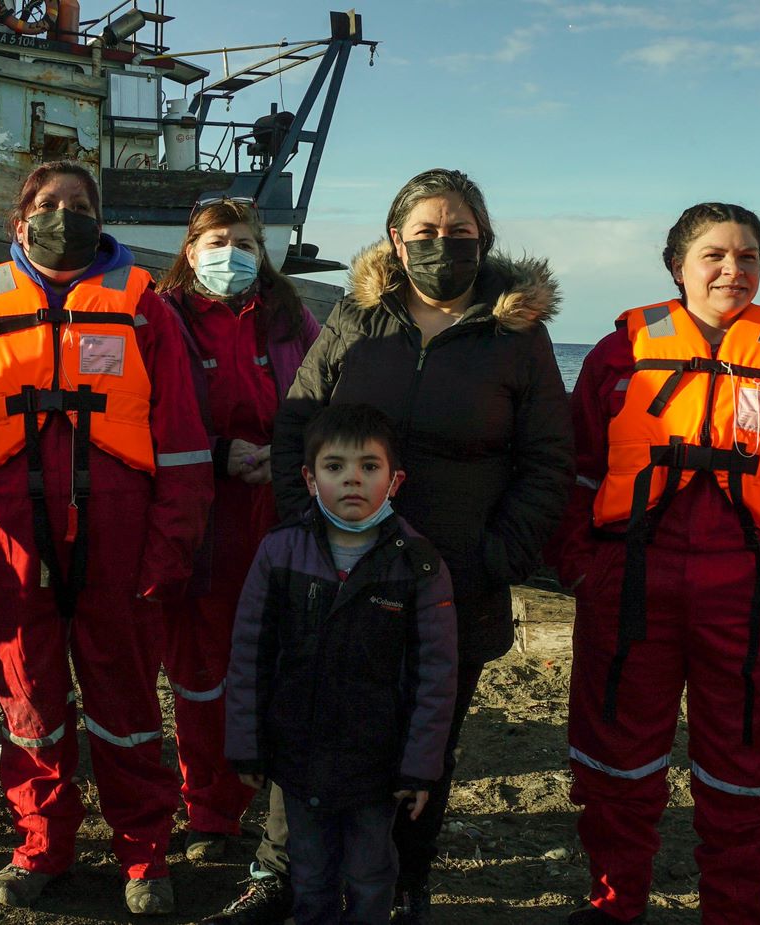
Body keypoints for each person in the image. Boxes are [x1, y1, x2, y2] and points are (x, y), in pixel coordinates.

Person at [224, 167, 568, 925]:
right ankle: (277, 874)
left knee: (426, 731)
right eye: (426, 233)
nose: (442, 245)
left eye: (460, 233)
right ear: (395, 239)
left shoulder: (519, 336)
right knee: (305, 717)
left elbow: (549, 462)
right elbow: (297, 426)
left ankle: (407, 880)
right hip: (333, 568)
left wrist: (494, 556)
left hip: (454, 576)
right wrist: (298, 529)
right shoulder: (357, 317)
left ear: (484, 238)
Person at [0, 160, 212, 914]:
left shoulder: (145, 307)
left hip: (122, 543)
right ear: (21, 222)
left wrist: (168, 551)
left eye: (80, 204)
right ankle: (41, 846)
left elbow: (181, 444)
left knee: (128, 710)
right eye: (49, 204)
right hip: (12, 547)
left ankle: (144, 856)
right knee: (29, 708)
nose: (65, 214)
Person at [554, 202, 760, 924]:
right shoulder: (616, 354)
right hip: (631, 583)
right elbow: (575, 476)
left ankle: (734, 909)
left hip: (754, 592)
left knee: (747, 771)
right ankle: (615, 903)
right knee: (615, 758)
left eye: (748, 256)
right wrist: (577, 570)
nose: (734, 269)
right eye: (715, 255)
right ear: (677, 265)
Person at [225, 403, 457, 924]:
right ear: (310, 479)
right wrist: (248, 747)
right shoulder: (279, 553)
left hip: (377, 764)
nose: (352, 479)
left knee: (372, 871)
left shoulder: (419, 564)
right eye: (335, 467)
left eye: (369, 467)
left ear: (395, 481)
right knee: (309, 874)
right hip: (298, 756)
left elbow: (436, 676)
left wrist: (421, 767)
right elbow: (249, 657)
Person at [151, 197, 321, 860]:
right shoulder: (163, 318)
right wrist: (219, 451)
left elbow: (322, 399)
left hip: (277, 515)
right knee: (200, 670)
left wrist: (286, 457)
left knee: (277, 661)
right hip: (197, 514)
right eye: (218, 240)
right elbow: (147, 407)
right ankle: (211, 812)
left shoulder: (291, 317)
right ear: (191, 250)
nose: (232, 253)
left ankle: (276, 804)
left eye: (245, 242)